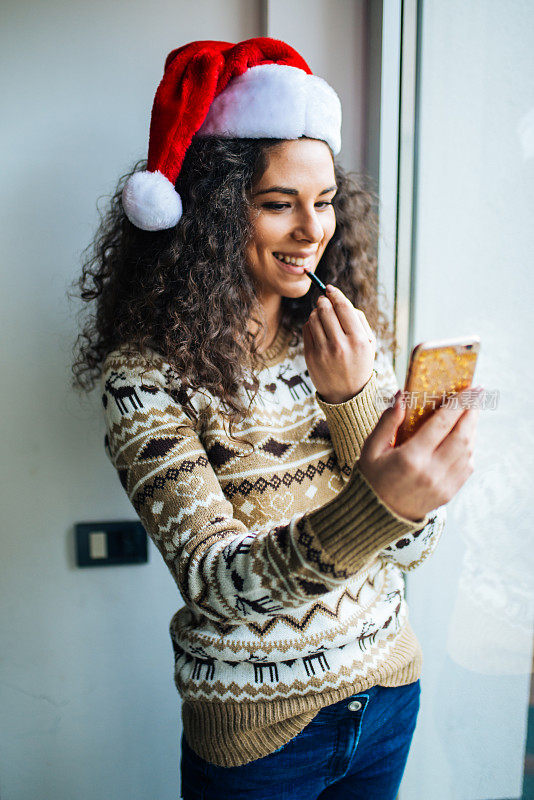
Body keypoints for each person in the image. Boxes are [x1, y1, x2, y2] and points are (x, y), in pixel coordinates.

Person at [72, 37, 481, 800]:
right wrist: (381, 500)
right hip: (261, 740)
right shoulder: (146, 376)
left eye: (323, 201)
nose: (311, 229)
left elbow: (413, 547)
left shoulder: (345, 336)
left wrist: (352, 398)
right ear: (214, 215)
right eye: (277, 204)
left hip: (388, 694)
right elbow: (216, 582)